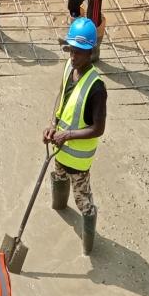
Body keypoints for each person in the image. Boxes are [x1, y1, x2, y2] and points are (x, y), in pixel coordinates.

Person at [43, 17, 106, 254]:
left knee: (83, 202)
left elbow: (98, 128)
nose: (73, 56)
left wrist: (67, 135)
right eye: (71, 50)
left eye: (78, 52)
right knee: (59, 177)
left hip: (79, 161)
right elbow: (61, 96)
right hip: (59, 150)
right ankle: (60, 207)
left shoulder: (97, 88)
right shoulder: (69, 68)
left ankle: (88, 248)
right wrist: (52, 124)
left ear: (90, 52)